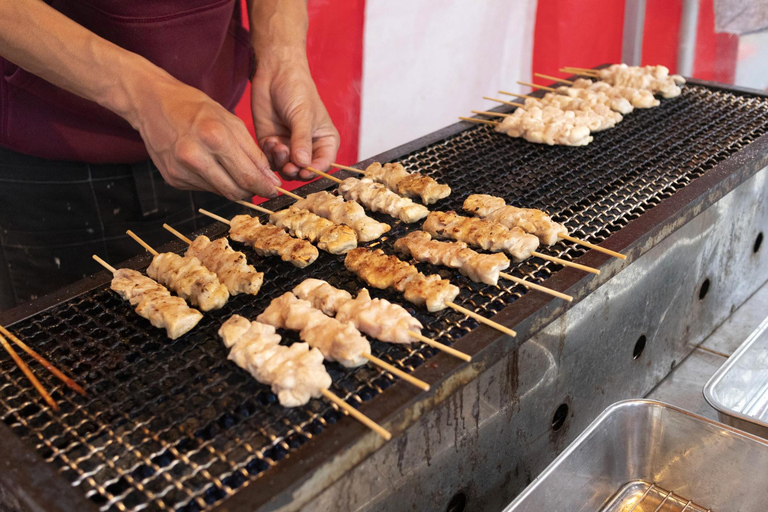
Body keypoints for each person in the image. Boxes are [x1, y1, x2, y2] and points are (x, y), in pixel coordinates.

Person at [0, 0, 340, 311]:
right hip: (50, 162)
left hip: (209, 141)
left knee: (242, 313)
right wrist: (144, 94)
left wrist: (282, 56)